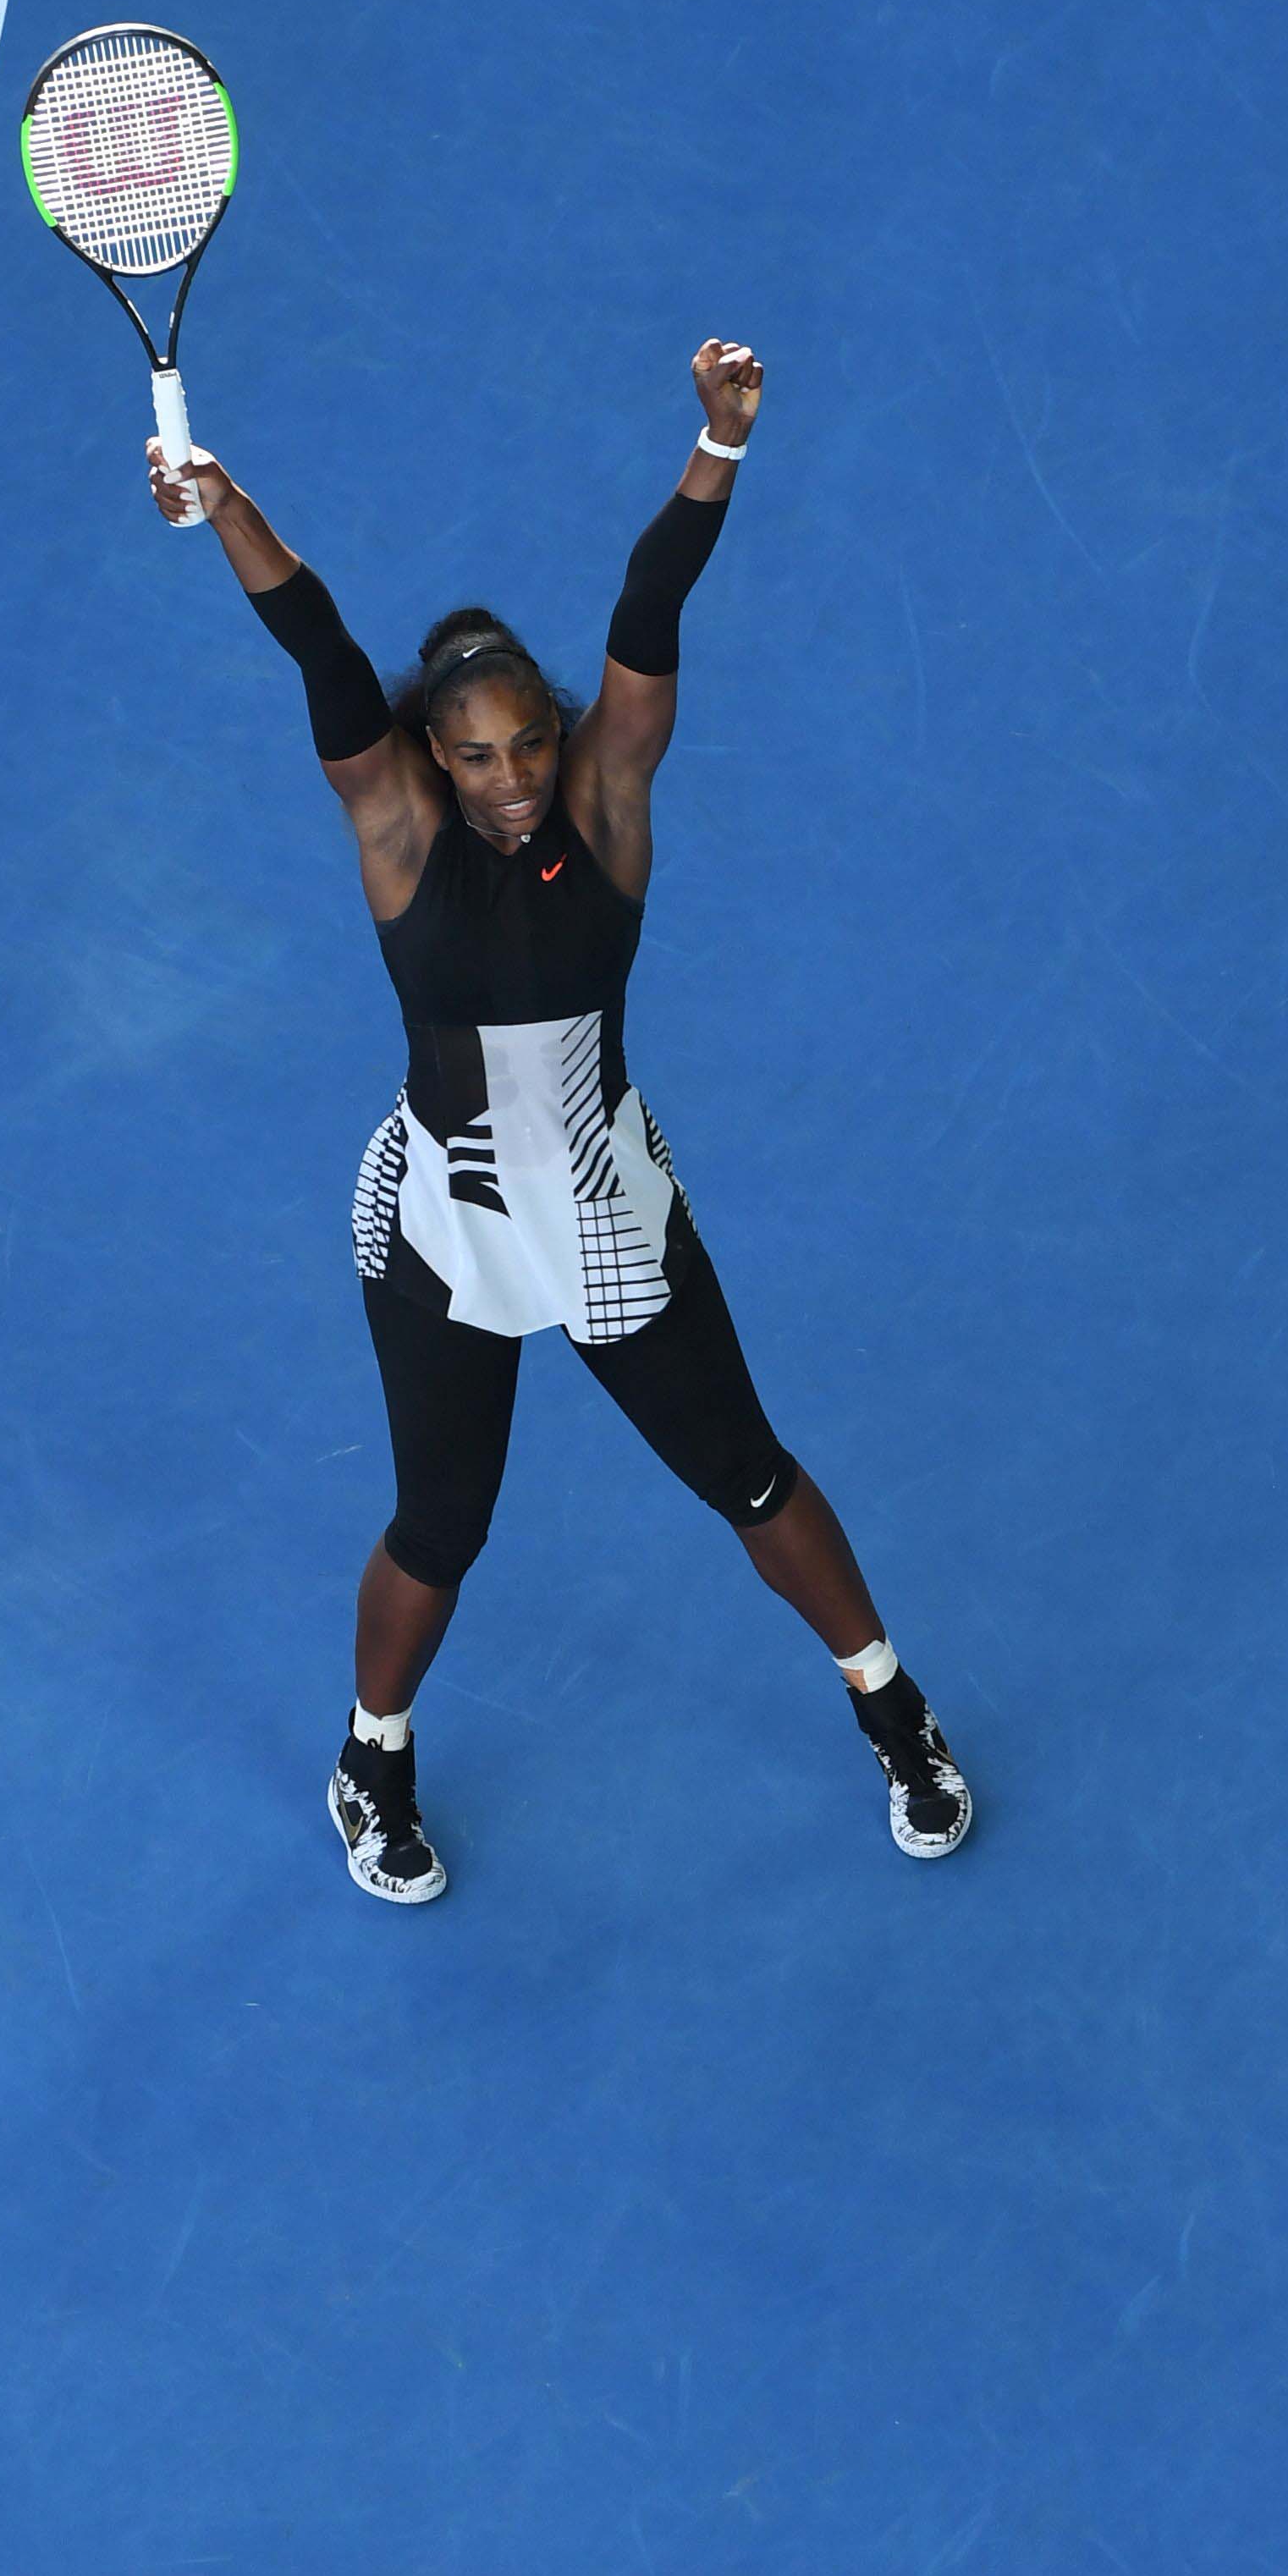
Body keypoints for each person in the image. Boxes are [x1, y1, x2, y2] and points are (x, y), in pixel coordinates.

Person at [148, 338, 971, 1902]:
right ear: (428, 762)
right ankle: (369, 1755)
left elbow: (648, 617)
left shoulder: (606, 802)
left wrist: (714, 447)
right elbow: (319, 649)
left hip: (602, 1208)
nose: (514, 777)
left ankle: (895, 1706)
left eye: (531, 741)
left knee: (751, 1475)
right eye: (477, 755)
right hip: (441, 1224)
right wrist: (229, 506)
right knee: (440, 1527)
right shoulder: (395, 830)